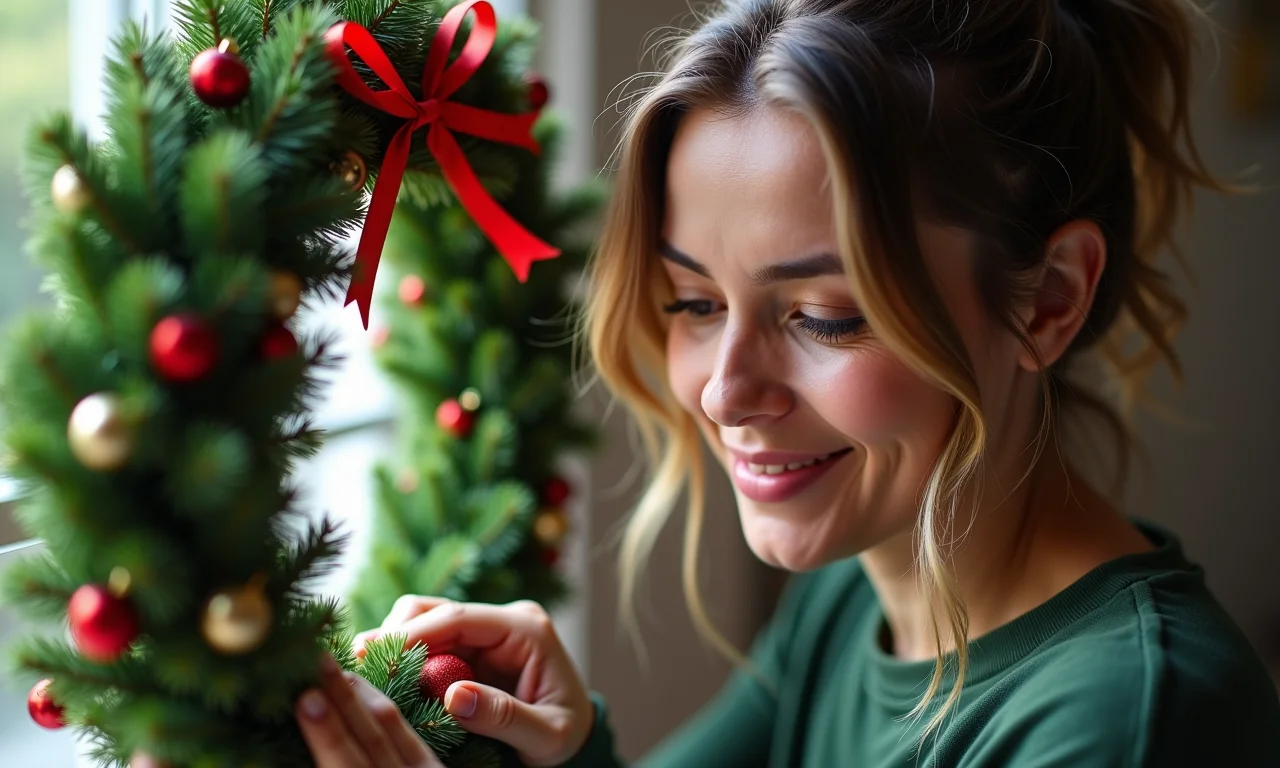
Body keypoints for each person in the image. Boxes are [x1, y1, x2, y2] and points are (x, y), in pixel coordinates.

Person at [293, 0, 1280, 765]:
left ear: (1047, 301)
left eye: (820, 316)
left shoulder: (1133, 720)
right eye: (691, 303)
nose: (724, 391)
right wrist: (564, 751)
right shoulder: (853, 601)